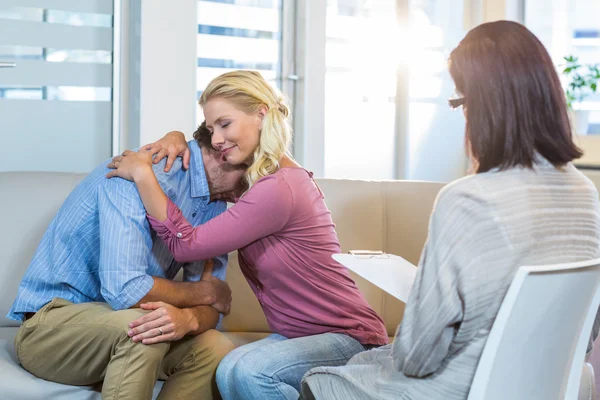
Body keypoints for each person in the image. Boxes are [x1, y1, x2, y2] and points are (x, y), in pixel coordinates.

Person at [299, 20, 600, 400]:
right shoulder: (585, 193)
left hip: (462, 388)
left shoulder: (468, 199)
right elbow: (585, 331)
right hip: (548, 385)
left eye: (460, 102)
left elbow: (417, 358)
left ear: (484, 106)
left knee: (321, 380)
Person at [107, 70, 389, 400]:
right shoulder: (258, 186)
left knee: (247, 371)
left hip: (346, 336)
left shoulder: (280, 188)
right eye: (212, 129)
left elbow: (187, 245)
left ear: (261, 114)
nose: (216, 139)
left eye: (225, 124)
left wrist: (143, 175)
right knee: (229, 367)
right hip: (300, 336)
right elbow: (204, 176)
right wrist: (176, 137)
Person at [7, 127, 247, 400]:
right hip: (51, 329)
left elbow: (212, 311)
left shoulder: (215, 206)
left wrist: (191, 316)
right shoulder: (134, 173)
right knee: (146, 329)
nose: (258, 180)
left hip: (121, 326)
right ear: (221, 152)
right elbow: (127, 290)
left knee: (214, 347)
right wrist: (205, 293)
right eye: (253, 164)